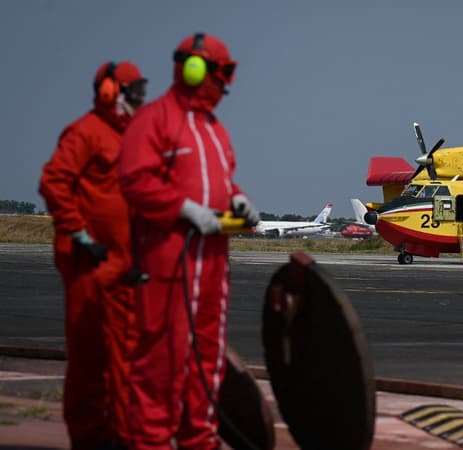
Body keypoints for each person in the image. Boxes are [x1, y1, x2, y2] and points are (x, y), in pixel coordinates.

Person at [118, 32, 259, 450]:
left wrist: (236, 197)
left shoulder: (216, 131)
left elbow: (222, 178)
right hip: (169, 260)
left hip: (213, 263)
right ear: (196, 69)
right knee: (162, 359)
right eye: (221, 71)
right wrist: (185, 210)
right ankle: (152, 443)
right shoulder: (155, 120)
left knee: (208, 360)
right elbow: (135, 180)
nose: (225, 82)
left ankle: (199, 440)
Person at [39, 61, 148, 449]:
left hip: (119, 264)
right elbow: (53, 181)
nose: (141, 99)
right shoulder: (86, 132)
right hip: (88, 262)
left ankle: (119, 434)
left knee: (123, 355)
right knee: (89, 357)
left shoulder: (130, 138)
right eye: (134, 91)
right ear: (109, 93)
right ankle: (89, 438)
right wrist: (78, 232)